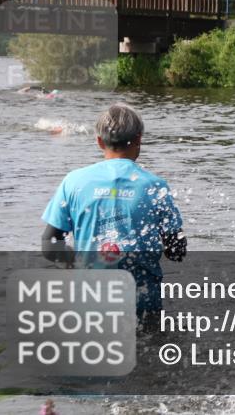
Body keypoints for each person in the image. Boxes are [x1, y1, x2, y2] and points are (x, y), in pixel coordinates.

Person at [41, 103, 186, 326]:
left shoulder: (74, 181)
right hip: (142, 304)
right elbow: (177, 251)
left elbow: (50, 244)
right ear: (138, 139)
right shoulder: (154, 186)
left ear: (99, 141)